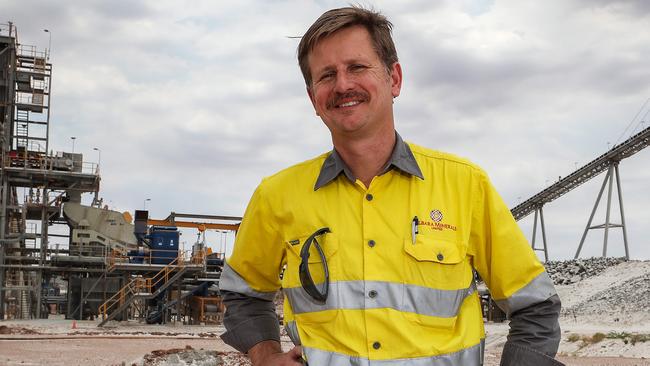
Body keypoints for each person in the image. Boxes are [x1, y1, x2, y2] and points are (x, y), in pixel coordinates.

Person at [220, 6, 563, 366]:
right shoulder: (277, 196)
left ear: (394, 78)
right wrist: (265, 355)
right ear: (313, 99)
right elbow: (241, 294)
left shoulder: (465, 185)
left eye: (357, 67)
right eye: (326, 75)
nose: (342, 85)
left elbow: (536, 308)